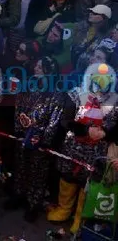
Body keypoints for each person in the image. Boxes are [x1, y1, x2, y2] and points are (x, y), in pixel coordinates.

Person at [48, 63, 118, 234]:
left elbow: (115, 126)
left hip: (96, 152)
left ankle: (80, 218)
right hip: (73, 147)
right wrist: (85, 130)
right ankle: (64, 209)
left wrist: (105, 131)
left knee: (87, 183)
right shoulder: (75, 94)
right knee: (67, 178)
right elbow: (65, 120)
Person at [5, 56, 64, 222]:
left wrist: (44, 139)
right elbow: (19, 107)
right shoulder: (28, 85)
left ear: (49, 71)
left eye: (40, 66)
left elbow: (54, 119)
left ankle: (33, 204)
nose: (36, 68)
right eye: (36, 65)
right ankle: (18, 195)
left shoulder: (57, 94)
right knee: (21, 166)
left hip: (40, 137)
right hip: (23, 134)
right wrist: (19, 129)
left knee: (38, 172)